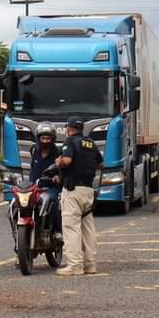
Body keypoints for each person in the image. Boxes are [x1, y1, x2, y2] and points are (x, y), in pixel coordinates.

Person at [55, 118, 103, 276]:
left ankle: (74, 265)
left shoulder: (70, 141)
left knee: (71, 227)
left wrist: (58, 162)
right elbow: (100, 164)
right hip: (88, 190)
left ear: (68, 129)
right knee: (88, 228)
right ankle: (90, 264)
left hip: (73, 189)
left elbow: (67, 161)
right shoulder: (90, 143)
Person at [29, 124, 62, 242]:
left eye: (48, 138)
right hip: (36, 187)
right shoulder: (34, 150)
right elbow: (32, 170)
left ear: (53, 139)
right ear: (38, 138)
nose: (46, 141)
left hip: (52, 187)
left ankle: (58, 231)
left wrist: (58, 178)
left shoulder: (58, 152)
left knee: (52, 201)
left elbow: (62, 169)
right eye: (43, 138)